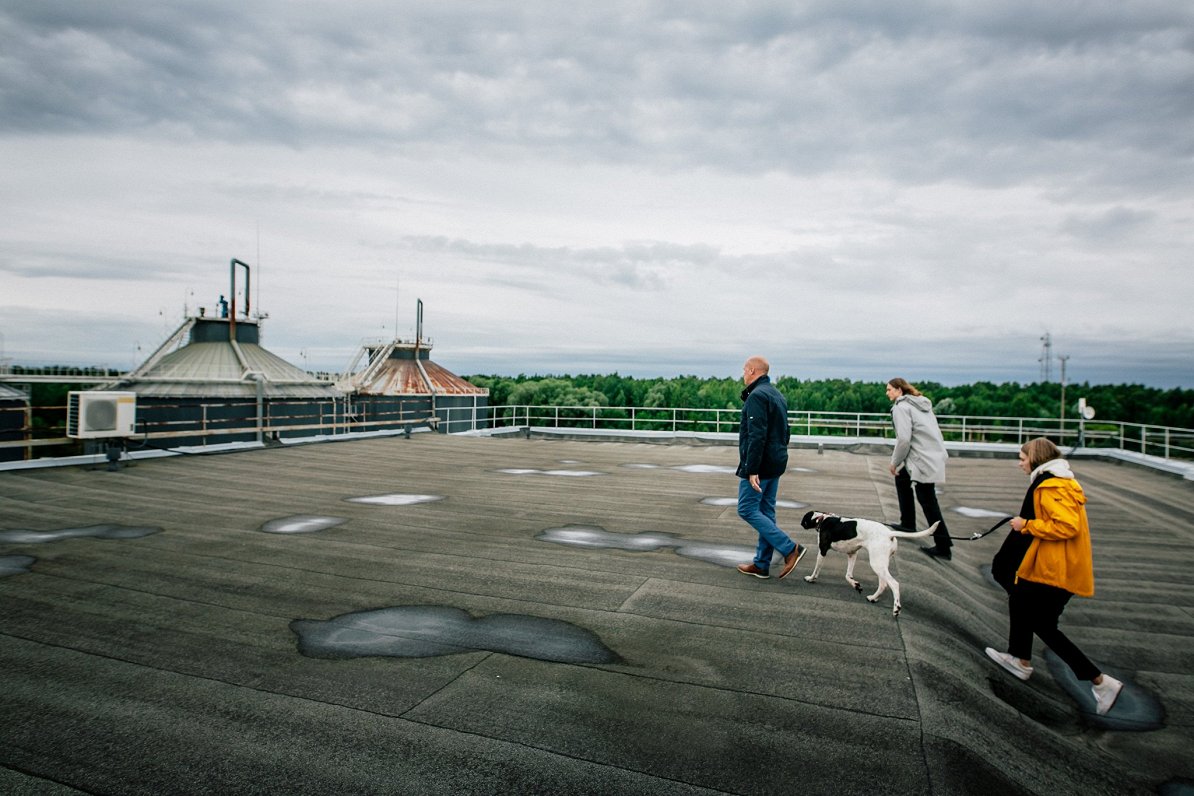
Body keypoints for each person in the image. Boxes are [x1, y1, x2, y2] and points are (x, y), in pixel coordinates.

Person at [984, 437, 1124, 716]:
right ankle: (1021, 660)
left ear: (1035, 458)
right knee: (1025, 606)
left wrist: (1026, 525)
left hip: (1054, 571)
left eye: (1022, 457)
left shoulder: (1050, 485)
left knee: (1040, 622)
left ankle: (1099, 681)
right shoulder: (1058, 481)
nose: (1020, 463)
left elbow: (1066, 526)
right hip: (1054, 568)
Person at [735, 356, 806, 579]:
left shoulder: (757, 396)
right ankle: (762, 564)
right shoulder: (776, 394)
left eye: (745, 370)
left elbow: (756, 436)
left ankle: (789, 548)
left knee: (746, 508)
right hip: (776, 461)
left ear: (753, 370)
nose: (743, 374)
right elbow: (786, 431)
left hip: (762, 464)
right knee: (766, 511)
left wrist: (751, 469)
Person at [886, 378, 952, 559]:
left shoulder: (901, 408)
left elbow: (904, 439)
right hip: (931, 456)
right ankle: (907, 522)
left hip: (921, 460)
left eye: (890, 389)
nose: (887, 393)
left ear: (899, 390)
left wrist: (894, 462)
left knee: (928, 500)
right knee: (902, 478)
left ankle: (943, 546)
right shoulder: (920, 404)